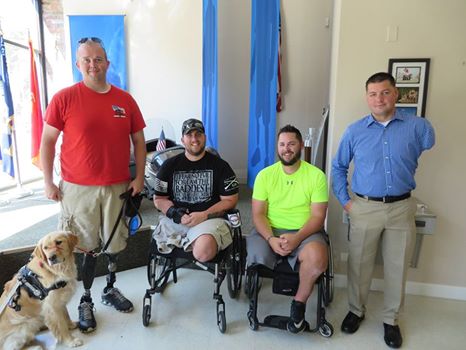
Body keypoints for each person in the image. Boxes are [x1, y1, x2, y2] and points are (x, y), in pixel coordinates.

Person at [40, 37, 146, 333]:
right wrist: (48, 181)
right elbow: (47, 141)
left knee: (114, 243)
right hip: (78, 189)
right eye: (86, 60)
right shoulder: (64, 98)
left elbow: (138, 140)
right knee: (84, 246)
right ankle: (85, 299)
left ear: (107, 63)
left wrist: (139, 177)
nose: (92, 65)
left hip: (117, 186)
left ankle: (109, 288)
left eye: (98, 59)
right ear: (78, 64)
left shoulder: (125, 100)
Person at [332, 72, 435, 348]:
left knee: (397, 266)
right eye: (373, 93)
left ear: (396, 93)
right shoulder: (354, 131)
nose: (379, 98)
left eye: (385, 92)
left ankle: (391, 320)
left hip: (402, 208)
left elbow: (429, 143)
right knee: (359, 265)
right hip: (364, 207)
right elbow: (338, 168)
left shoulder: (418, 127)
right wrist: (347, 202)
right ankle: (356, 311)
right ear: (367, 97)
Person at [246, 124, 329, 334]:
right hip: (269, 230)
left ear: (300, 145)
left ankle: (298, 306)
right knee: (253, 252)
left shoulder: (316, 176)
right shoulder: (265, 175)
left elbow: (318, 217)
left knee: (318, 258)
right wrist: (271, 239)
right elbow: (258, 214)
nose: (286, 148)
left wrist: (297, 237)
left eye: (291, 143)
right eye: (282, 144)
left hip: (305, 231)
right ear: (277, 147)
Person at [153, 118, 239, 262]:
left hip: (209, 221)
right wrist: (175, 213)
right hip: (177, 220)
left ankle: (190, 240)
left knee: (203, 252)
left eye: (198, 134)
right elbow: (159, 199)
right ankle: (190, 240)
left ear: (204, 137)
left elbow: (231, 200)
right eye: (189, 135)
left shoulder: (222, 166)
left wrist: (204, 215)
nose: (194, 139)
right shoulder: (168, 166)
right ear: (182, 139)